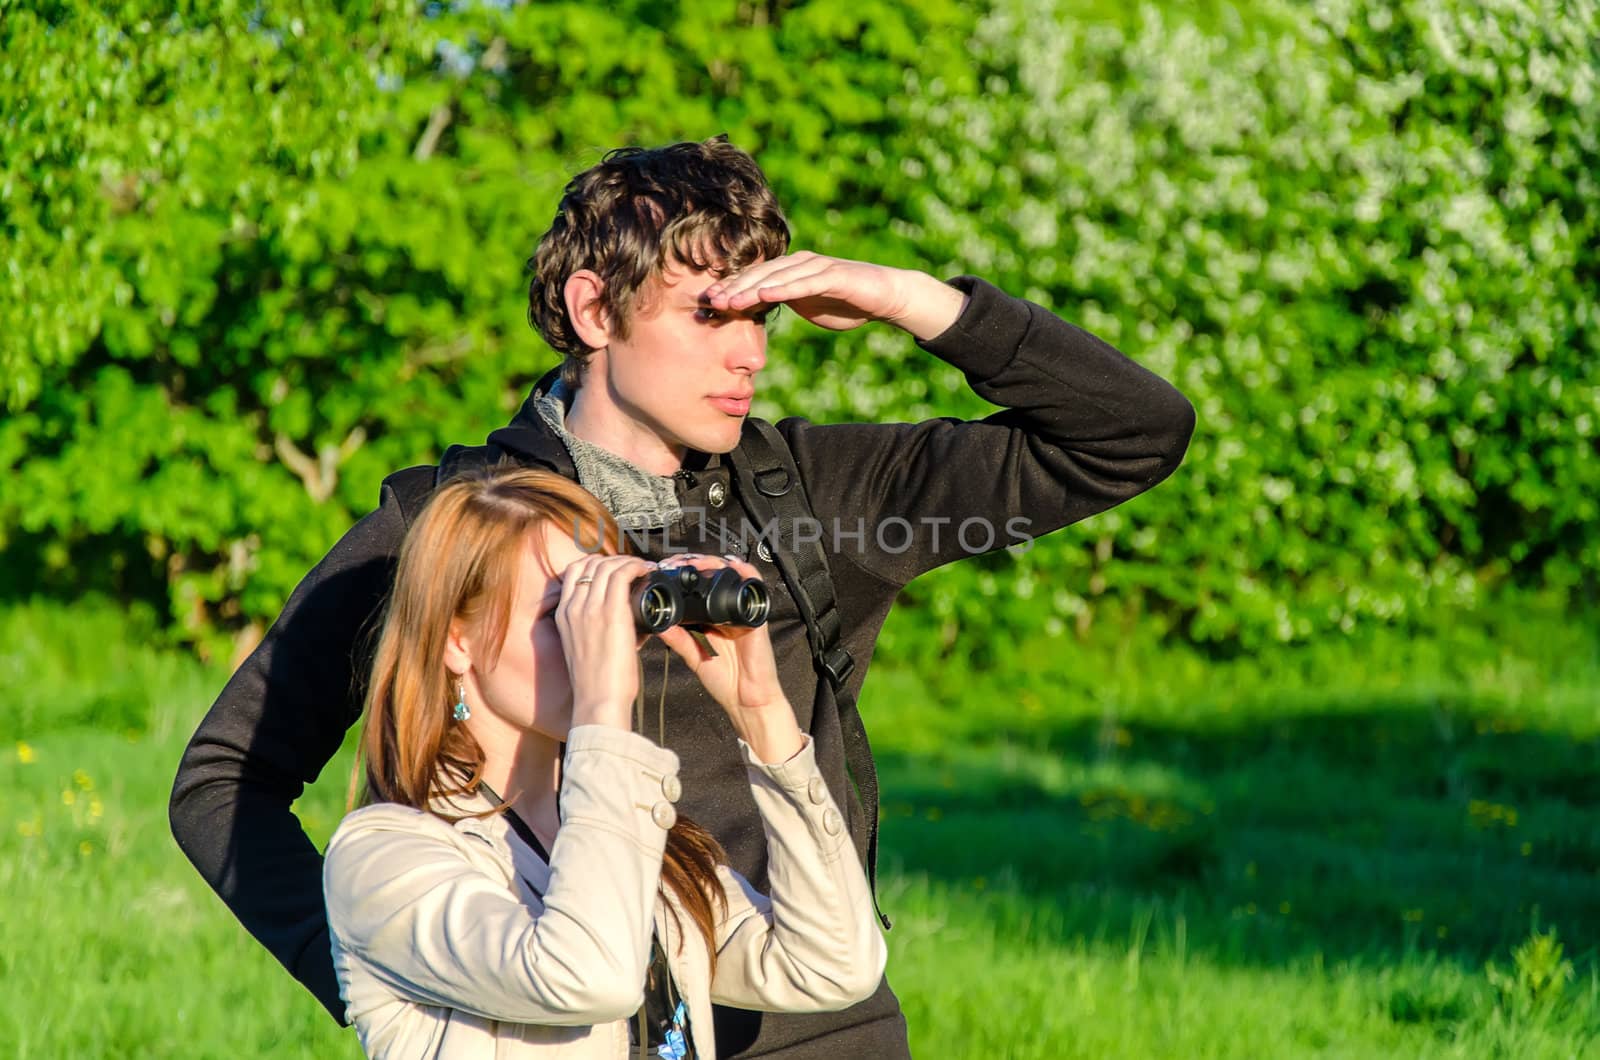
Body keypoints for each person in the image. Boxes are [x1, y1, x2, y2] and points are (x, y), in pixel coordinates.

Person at [171, 136, 1195, 1058]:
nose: (749, 350)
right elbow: (225, 781)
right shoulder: (451, 528)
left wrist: (911, 299)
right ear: (591, 309)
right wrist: (388, 980)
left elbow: (1133, 435)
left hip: (814, 1024)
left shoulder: (825, 500)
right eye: (711, 314)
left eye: (762, 317)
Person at [324, 466, 885, 1058]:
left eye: (603, 608)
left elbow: (834, 965)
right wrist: (602, 708)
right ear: (455, 642)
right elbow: (589, 975)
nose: (592, 637)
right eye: (558, 613)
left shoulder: (626, 837)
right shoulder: (385, 857)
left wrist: (761, 712)